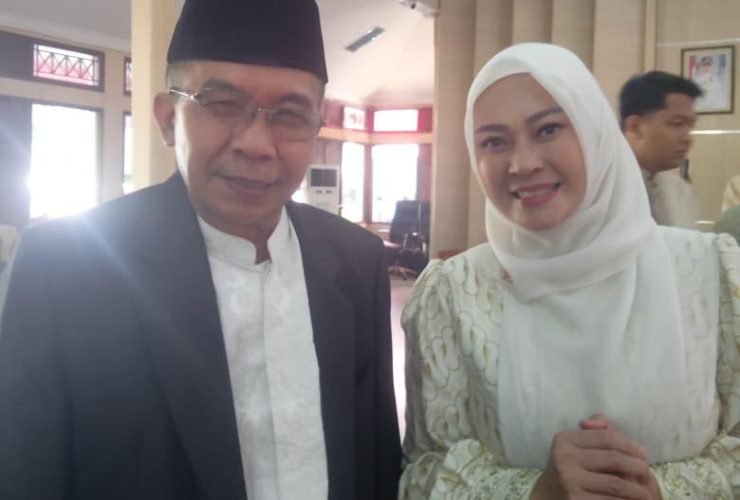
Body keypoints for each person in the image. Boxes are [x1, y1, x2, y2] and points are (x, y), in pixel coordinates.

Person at [0, 0, 401, 499]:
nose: (257, 144)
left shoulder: (356, 261)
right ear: (168, 119)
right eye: (223, 104)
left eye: (291, 115)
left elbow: (377, 459)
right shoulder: (63, 271)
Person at [399, 43, 740, 499]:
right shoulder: (454, 293)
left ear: (593, 129)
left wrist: (660, 489)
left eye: (548, 129)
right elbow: (424, 472)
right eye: (494, 141)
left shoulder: (712, 273)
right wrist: (534, 492)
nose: (523, 164)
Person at [619, 70, 703, 229]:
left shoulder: (680, 191)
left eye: (690, 126)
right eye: (678, 123)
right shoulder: (597, 188)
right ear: (635, 127)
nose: (687, 138)